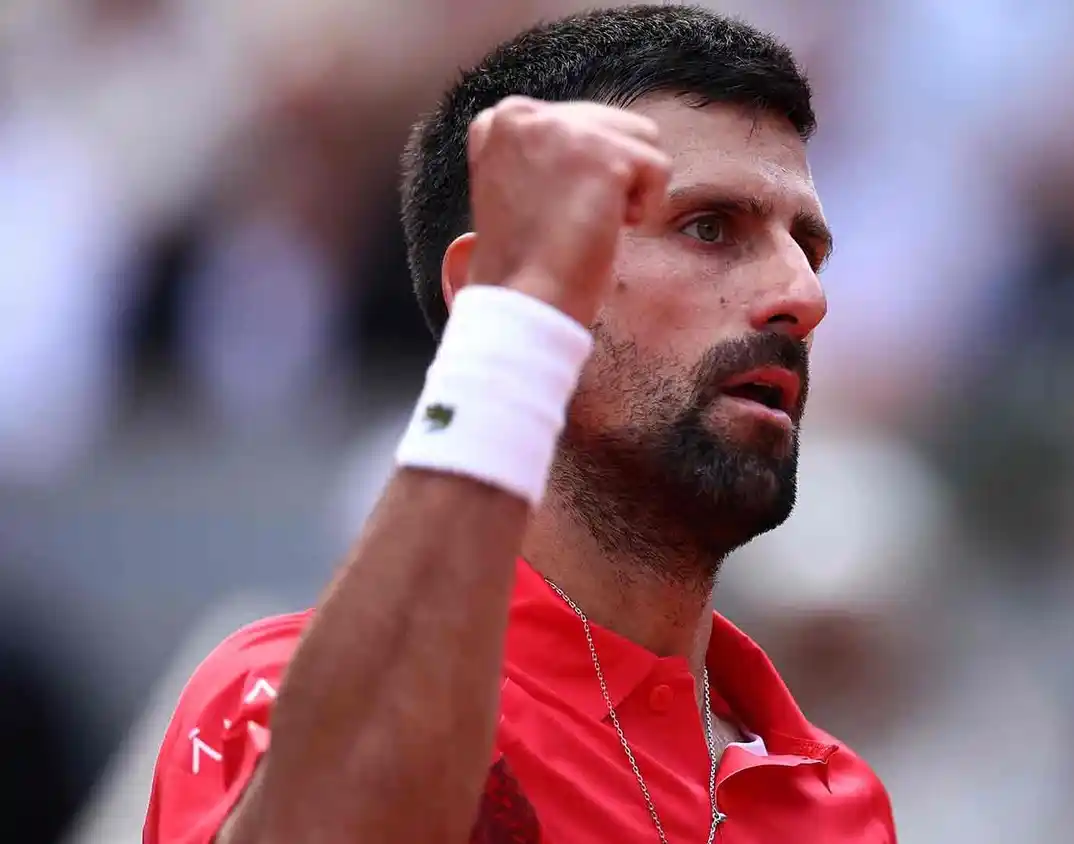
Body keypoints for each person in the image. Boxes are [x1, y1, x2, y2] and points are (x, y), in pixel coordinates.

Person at [143, 5, 895, 843]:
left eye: (810, 247)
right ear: (491, 292)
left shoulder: (842, 803)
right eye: (709, 227)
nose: (805, 297)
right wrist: (516, 316)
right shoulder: (275, 690)